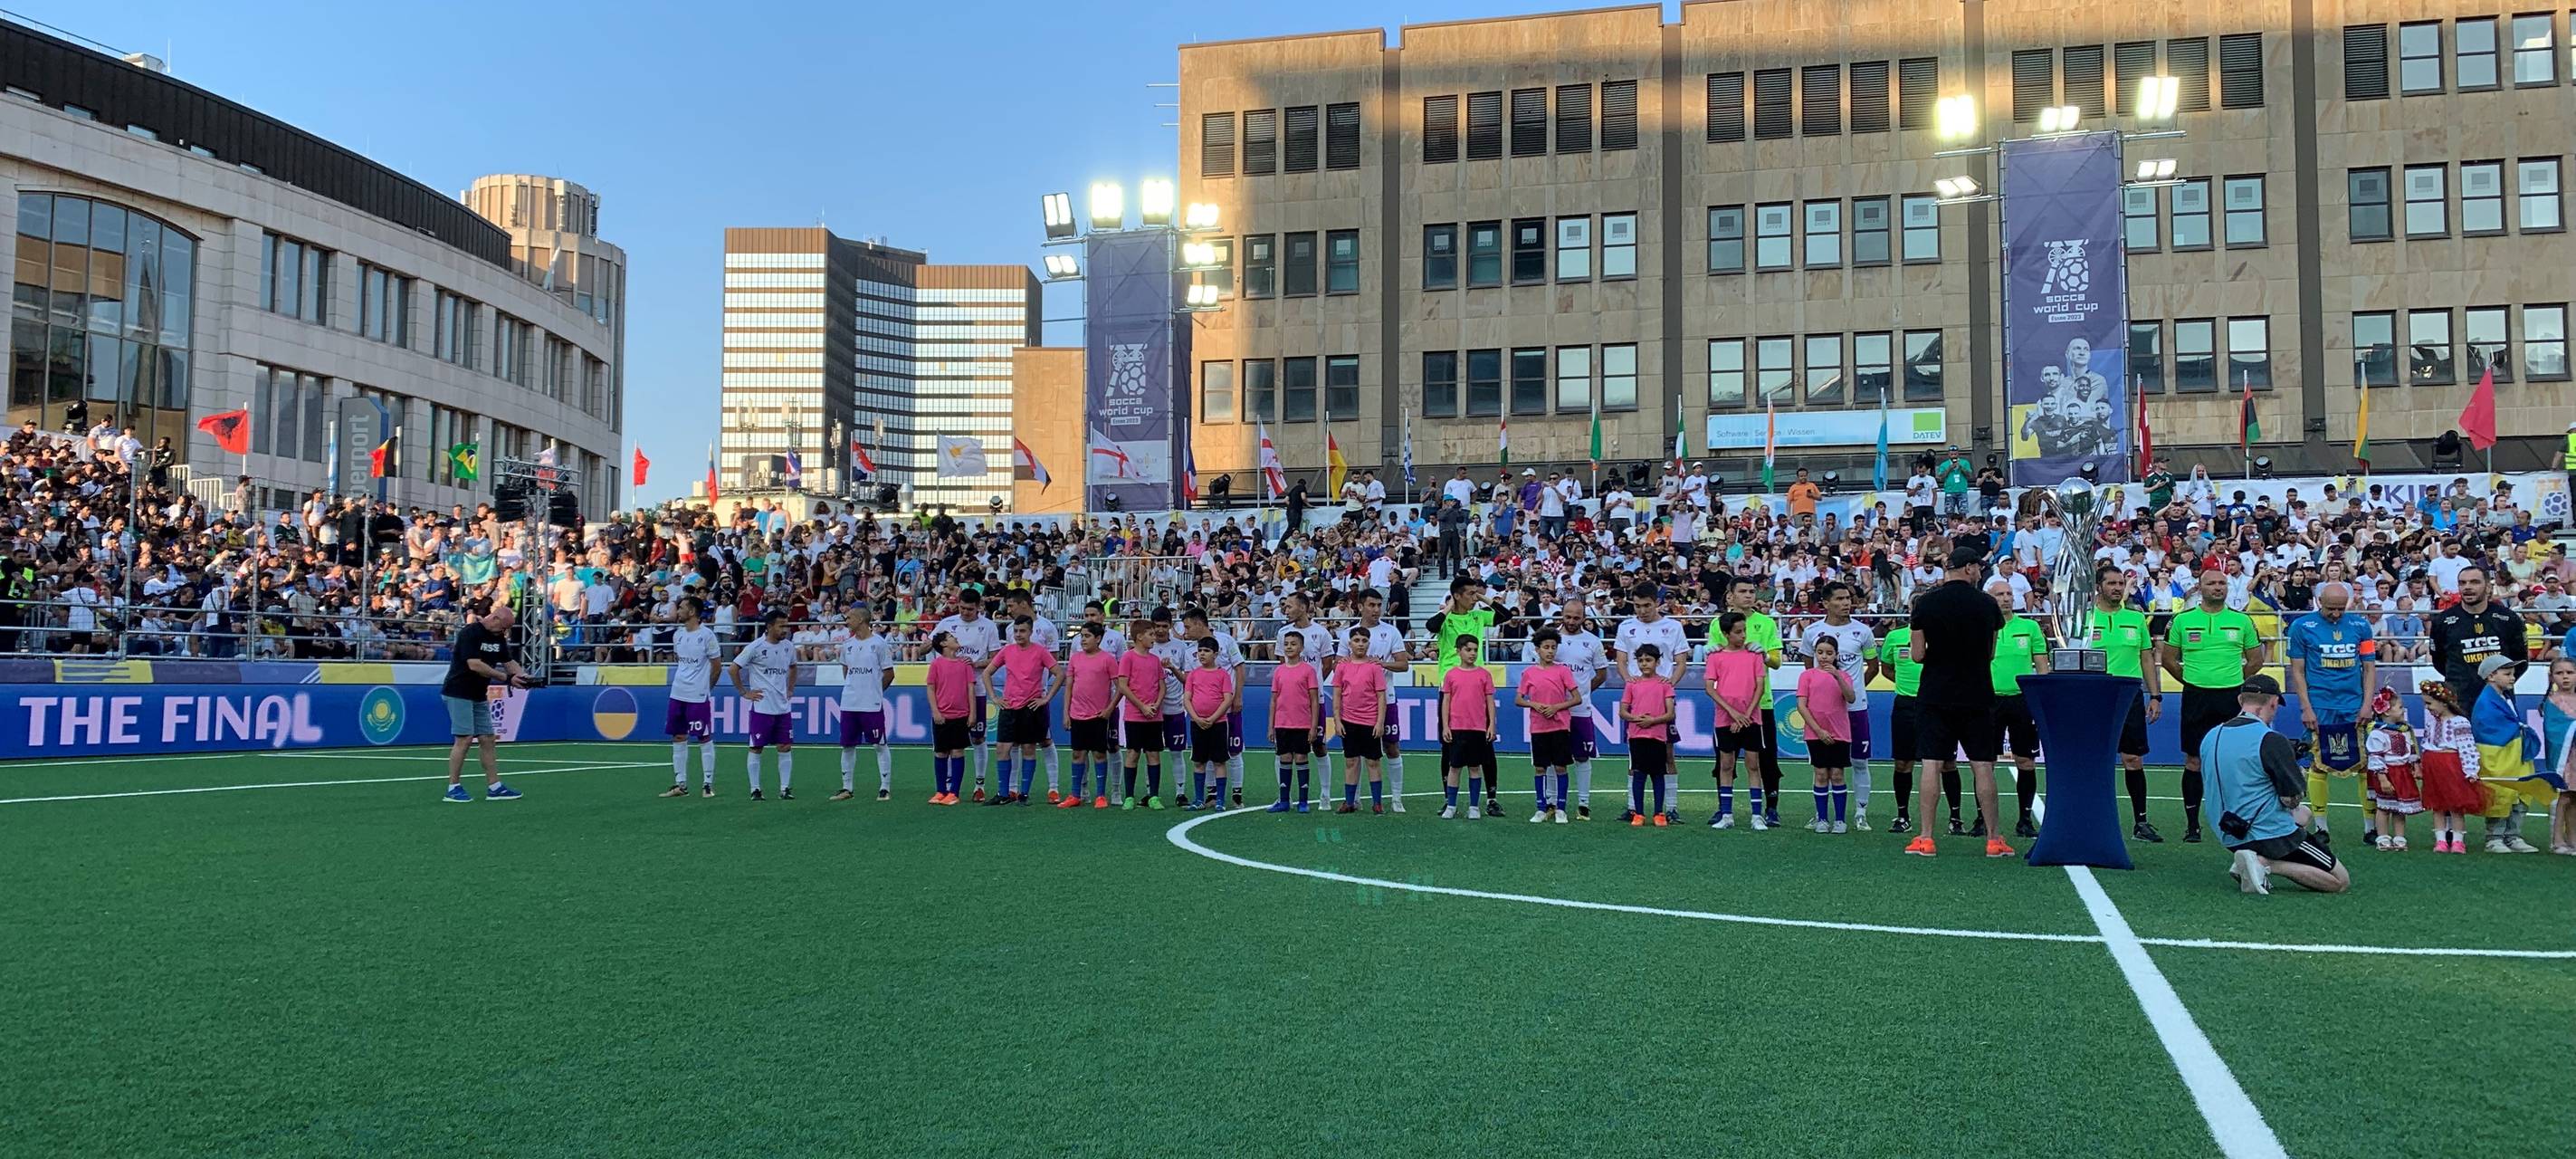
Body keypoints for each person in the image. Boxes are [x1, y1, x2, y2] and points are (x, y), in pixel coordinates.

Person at [1904, 547, 2011, 859]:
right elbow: (1990, 653)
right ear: (1968, 568)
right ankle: (1993, 839)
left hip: (1935, 692)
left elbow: (1917, 655)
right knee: (1983, 765)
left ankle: (1926, 838)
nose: (1979, 572)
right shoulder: (1987, 603)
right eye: (1977, 567)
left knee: (1931, 764)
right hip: (1977, 692)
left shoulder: (1925, 602)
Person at [2201, 675, 2350, 895]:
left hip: (2228, 832)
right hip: (2265, 831)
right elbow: (2291, 798)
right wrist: (2297, 775)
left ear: (2241, 700)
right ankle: (2265, 863)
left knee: (2305, 815)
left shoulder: (2211, 736)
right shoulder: (2269, 738)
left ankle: (2252, 860)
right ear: (2273, 703)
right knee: (2340, 881)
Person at [2161, 569, 2265, 843]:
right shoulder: (2182, 620)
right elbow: (2169, 659)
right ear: (2200, 587)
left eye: (2222, 583)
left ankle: (2236, 820)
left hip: (2231, 697)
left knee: (2232, 760)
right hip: (2196, 697)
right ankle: (2192, 825)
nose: (2218, 587)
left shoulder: (2242, 620)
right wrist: (2191, 680)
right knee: (2194, 760)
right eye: (2212, 583)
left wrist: (2234, 680)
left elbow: (2256, 660)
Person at [2283, 581, 2379, 838]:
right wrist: (2306, 707)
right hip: (2320, 704)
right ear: (2319, 602)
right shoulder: (2302, 626)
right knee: (2318, 764)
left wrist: (2367, 704)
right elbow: (2297, 671)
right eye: (2331, 609)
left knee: (2364, 765)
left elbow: (2369, 668)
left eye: (2341, 609)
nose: (2336, 614)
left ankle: (2370, 827)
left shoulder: (2361, 626)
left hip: (2353, 704)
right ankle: (2321, 827)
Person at [2081, 564, 2163, 840]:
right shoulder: (2085, 620)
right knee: (2094, 759)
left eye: (2120, 583)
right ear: (2099, 587)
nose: (2117, 588)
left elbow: (2146, 659)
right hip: (2094, 696)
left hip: (2129, 696)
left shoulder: (2136, 619)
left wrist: (2155, 696)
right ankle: (2090, 819)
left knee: (2133, 758)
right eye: (2112, 583)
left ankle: (2141, 822)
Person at [1800, 580, 1878, 829]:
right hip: (1824, 713)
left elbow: (1873, 667)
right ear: (1826, 603)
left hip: (1855, 708)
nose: (1846, 603)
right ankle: (1821, 814)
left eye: (1848, 598)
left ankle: (1860, 812)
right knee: (1821, 766)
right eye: (1840, 599)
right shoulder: (1812, 632)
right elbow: (1809, 670)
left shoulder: (1863, 632)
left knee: (1859, 761)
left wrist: (1852, 690)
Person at [1878, 618, 1961, 836]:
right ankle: (1903, 816)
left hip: (1939, 704)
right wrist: (1905, 684)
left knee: (1947, 763)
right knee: (1903, 763)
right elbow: (1886, 668)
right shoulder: (1895, 637)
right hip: (1906, 705)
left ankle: (1955, 818)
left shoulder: (1945, 634)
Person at [439, 604, 527, 803]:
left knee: (488, 738)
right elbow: (475, 665)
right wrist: (506, 678)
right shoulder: (470, 633)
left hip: (478, 694)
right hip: (458, 691)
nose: (504, 632)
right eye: (504, 627)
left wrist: (524, 677)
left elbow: (508, 661)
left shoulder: (498, 637)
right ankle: (453, 787)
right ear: (495, 618)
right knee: (464, 738)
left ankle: (494, 786)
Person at [1988, 578, 2052, 838]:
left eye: (2008, 593)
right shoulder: (1981, 627)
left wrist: (2044, 698)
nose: (2005, 598)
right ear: (1990, 599)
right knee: (1985, 762)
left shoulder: (2030, 627)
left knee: (2025, 760)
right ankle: (1982, 819)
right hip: (1989, 700)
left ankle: (2025, 819)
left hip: (2021, 701)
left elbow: (2042, 664)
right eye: (1999, 594)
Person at [2469, 655, 2550, 853]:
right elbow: (2487, 729)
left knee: (2520, 791)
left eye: (2512, 674)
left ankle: (2513, 835)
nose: (2512, 677)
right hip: (2499, 755)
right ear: (2491, 676)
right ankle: (2494, 837)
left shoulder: (2504, 697)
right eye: (2507, 674)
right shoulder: (2486, 701)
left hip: (2515, 754)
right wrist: (2517, 729)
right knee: (2501, 791)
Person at [931, 589, 1005, 800]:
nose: (965, 612)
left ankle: (979, 784)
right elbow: (931, 644)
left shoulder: (988, 626)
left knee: (978, 737)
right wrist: (928, 645)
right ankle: (946, 786)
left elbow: (996, 658)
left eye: (970, 609)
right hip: (949, 693)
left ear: (978, 607)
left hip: (976, 689)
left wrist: (976, 663)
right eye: (962, 608)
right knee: (946, 742)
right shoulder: (947, 624)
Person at [985, 616, 1059, 807]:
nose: (1019, 634)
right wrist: (994, 697)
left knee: (1028, 749)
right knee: (1002, 749)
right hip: (1009, 707)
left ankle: (1024, 794)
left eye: (1023, 631)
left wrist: (1046, 698)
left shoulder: (1040, 651)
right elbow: (987, 673)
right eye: (1016, 631)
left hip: (1030, 708)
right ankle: (1003, 793)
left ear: (1031, 632)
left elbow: (1060, 674)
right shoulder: (1007, 650)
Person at [2427, 565, 2528, 705]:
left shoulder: (2508, 618)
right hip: (2459, 700)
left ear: (2488, 587)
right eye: (2462, 583)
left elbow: (2520, 660)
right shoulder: (2442, 621)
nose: (2467, 587)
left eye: (2474, 582)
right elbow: (2439, 661)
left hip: (2499, 700)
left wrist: (2500, 683)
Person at [728, 611, 800, 800]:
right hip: (762, 707)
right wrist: (744, 692)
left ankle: (785, 789)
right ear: (769, 627)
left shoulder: (788, 646)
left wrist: (790, 688)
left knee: (785, 746)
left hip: (782, 707)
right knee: (757, 747)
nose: (785, 629)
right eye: (781, 626)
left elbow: (793, 667)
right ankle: (755, 789)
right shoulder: (756, 647)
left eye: (786, 625)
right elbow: (733, 668)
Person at [1706, 611, 1769, 829]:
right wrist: (1733, 713)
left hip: (1752, 719)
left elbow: (1760, 686)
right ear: (1726, 634)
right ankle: (1726, 815)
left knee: (1753, 764)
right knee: (1726, 765)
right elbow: (1710, 688)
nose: (1743, 636)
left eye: (1744, 631)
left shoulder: (1754, 656)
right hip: (1725, 720)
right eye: (1738, 632)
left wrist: (1746, 715)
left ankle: (1757, 816)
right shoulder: (1715, 657)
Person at [660, 596, 722, 799]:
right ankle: (681, 784)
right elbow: (681, 662)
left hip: (698, 695)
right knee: (678, 736)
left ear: (692, 611)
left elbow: (717, 666)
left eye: (682, 608)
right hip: (678, 692)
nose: (678, 611)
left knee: (703, 737)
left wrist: (706, 688)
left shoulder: (707, 636)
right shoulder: (677, 634)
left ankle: (707, 784)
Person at [832, 608, 896, 801]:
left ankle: (884, 787)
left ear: (861, 619)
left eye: (849, 617)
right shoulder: (847, 645)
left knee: (879, 744)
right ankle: (847, 788)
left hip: (871, 704)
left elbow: (889, 673)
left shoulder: (879, 643)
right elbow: (846, 671)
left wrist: (875, 691)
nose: (846, 620)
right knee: (847, 745)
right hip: (849, 702)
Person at [1516, 627, 1579, 824]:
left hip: (1560, 726)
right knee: (1540, 768)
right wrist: (1534, 704)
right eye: (1546, 647)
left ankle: (1561, 809)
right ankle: (1541, 808)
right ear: (1537, 650)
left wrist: (1556, 708)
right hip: (1538, 727)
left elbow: (1576, 698)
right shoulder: (1529, 673)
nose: (1550, 651)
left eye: (1553, 647)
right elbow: (1519, 699)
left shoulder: (1563, 671)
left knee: (1560, 767)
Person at [1798, 635, 1856, 833]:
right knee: (1821, 774)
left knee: (1837, 775)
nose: (1824, 657)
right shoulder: (1807, 676)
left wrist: (1837, 676)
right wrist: (1818, 730)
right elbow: (1801, 706)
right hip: (1815, 733)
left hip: (1840, 732)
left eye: (1829, 653)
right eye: (1820, 652)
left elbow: (1851, 698)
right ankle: (1822, 819)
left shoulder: (1844, 676)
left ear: (1836, 655)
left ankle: (1840, 820)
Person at [1330, 623, 1389, 813]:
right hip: (1348, 721)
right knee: (1351, 761)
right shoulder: (1342, 667)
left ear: (1368, 644)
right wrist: (1337, 721)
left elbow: (1381, 697)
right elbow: (1337, 695)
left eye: (1364, 641)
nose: (1360, 644)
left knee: (1373, 762)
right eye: (1356, 640)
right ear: (1350, 644)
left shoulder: (1374, 668)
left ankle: (1377, 803)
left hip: (1370, 722)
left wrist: (1380, 722)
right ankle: (1349, 802)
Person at [1436, 634, 1497, 819]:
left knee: (1474, 767)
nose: (1472, 653)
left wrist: (1491, 726)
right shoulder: (1451, 674)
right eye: (1468, 649)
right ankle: (1451, 805)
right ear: (1458, 651)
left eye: (1475, 650)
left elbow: (1490, 702)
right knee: (1454, 767)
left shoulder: (1484, 675)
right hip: (1456, 728)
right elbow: (1446, 702)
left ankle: (1474, 807)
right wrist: (1445, 726)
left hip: (1478, 729)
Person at [1061, 622, 1121, 809]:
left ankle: (1101, 795)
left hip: (1098, 716)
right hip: (1077, 714)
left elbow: (1120, 688)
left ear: (1098, 638)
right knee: (1077, 753)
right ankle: (1075, 794)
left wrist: (1109, 709)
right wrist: (1066, 713)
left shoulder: (1108, 660)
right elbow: (1069, 687)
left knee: (1099, 754)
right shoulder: (1075, 659)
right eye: (1082, 636)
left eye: (1087, 636)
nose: (1083, 640)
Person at [1113, 620, 1170, 809]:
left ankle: (1154, 796)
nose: (1155, 637)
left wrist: (1156, 704)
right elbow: (1123, 686)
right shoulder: (1128, 658)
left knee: (1153, 754)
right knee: (1133, 753)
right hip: (1134, 716)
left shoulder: (1155, 660)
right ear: (1139, 637)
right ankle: (1129, 796)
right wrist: (1142, 706)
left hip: (1154, 716)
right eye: (1151, 634)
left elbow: (1162, 686)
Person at [1620, 643, 1675, 827]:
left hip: (1658, 736)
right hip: (1636, 736)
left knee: (1658, 774)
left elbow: (1670, 714)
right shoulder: (1632, 684)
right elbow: (1623, 711)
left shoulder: (1665, 684)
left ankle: (1659, 813)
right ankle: (1639, 814)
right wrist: (1636, 718)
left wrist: (1652, 721)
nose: (1644, 664)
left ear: (1657, 662)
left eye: (1648, 660)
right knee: (1639, 774)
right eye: (1641, 660)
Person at [2363, 687, 2423, 851]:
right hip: (2387, 773)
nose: (2403, 710)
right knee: (2383, 807)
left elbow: (2410, 750)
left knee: (2399, 808)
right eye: (2400, 707)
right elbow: (2376, 757)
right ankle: (2382, 836)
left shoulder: (2404, 731)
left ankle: (2399, 836)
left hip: (2402, 773)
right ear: (2387, 711)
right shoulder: (2378, 733)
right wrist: (2382, 778)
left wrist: (2415, 766)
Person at [1269, 630, 1321, 813]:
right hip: (1282, 724)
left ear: (1301, 647)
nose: (1289, 647)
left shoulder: (1308, 670)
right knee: (1284, 758)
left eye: (1293, 644)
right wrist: (1271, 726)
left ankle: (1303, 802)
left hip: (1302, 724)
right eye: (1286, 644)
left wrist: (1313, 726)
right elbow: (1274, 700)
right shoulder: (1279, 671)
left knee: (1301, 758)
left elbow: (1314, 700)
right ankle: (1284, 801)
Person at [1181, 637, 1237, 810]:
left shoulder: (1222, 674)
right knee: (1199, 762)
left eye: (1206, 651)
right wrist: (1196, 718)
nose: (1202, 654)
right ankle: (1199, 800)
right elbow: (1187, 699)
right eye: (1200, 651)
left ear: (1215, 654)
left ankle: (1220, 800)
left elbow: (1227, 699)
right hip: (1197, 724)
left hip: (1218, 724)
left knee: (1219, 762)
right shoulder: (1194, 674)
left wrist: (1213, 718)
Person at [924, 631, 975, 805]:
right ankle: (941, 791)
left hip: (961, 715)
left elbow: (970, 689)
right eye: (952, 637)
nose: (956, 638)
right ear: (944, 644)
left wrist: (972, 713)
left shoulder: (965, 664)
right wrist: (935, 712)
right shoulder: (936, 664)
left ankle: (954, 792)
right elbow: (931, 688)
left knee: (957, 751)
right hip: (942, 716)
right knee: (940, 752)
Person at [2541, 657, 2576, 854]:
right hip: (2566, 758)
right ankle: (2557, 840)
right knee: (2564, 797)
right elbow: (2554, 730)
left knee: (2575, 798)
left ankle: (2572, 838)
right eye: (2560, 673)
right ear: (2552, 677)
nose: (2565, 677)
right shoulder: (2553, 702)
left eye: (2570, 673)